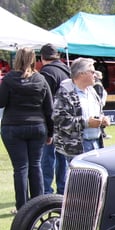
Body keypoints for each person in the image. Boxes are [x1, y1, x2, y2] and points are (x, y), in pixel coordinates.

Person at [0, 47, 53, 213]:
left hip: (13, 126)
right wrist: (50, 132)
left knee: (20, 168)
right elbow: (49, 109)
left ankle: (22, 208)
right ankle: (38, 206)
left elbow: (1, 102)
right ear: (33, 59)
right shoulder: (40, 79)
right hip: (37, 126)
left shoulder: (9, 78)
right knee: (35, 166)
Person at [52, 57, 110, 161]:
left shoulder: (92, 92)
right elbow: (60, 121)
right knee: (81, 177)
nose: (95, 75)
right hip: (76, 147)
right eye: (92, 72)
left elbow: (98, 112)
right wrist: (87, 123)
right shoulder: (65, 93)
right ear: (81, 73)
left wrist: (102, 119)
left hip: (96, 143)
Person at [39, 43, 71, 195]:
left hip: (51, 120)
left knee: (47, 158)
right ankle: (62, 188)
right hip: (66, 120)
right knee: (62, 158)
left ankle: (46, 190)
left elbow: (45, 101)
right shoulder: (68, 71)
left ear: (42, 57)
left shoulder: (46, 73)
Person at [93, 70, 111, 139]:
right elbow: (98, 95)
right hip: (99, 105)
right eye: (101, 74)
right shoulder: (98, 84)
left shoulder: (98, 83)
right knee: (100, 118)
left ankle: (103, 134)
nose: (102, 76)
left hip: (100, 104)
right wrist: (99, 104)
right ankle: (102, 134)